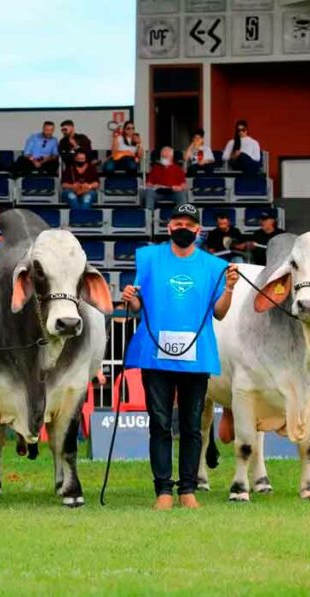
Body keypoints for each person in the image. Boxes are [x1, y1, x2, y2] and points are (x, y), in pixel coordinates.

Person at [121, 203, 239, 511]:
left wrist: (228, 289)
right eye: (177, 223)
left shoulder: (214, 267)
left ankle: (188, 489)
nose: (183, 228)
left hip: (195, 356)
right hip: (155, 356)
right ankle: (163, 490)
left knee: (192, 424)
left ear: (199, 230)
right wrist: (130, 299)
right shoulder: (148, 258)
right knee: (159, 423)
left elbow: (220, 313)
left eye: (189, 223)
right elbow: (137, 308)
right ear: (168, 227)